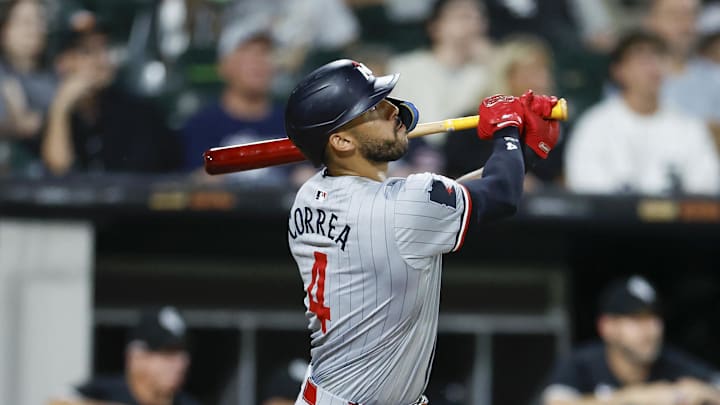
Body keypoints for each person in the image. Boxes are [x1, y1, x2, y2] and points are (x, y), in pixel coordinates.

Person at [283, 59, 560, 405]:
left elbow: (439, 207)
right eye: (373, 110)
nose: (392, 110)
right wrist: (507, 132)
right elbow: (498, 196)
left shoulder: (309, 196)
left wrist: (522, 153)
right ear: (340, 141)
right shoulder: (402, 206)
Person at [563, 30, 720, 195]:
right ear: (619, 71)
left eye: (658, 58)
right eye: (642, 60)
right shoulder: (595, 125)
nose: (652, 68)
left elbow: (705, 189)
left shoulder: (689, 127)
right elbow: (586, 188)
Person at [541, 275, 720, 405]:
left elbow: (714, 384)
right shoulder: (582, 363)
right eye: (637, 319)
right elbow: (556, 402)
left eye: (654, 318)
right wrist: (634, 397)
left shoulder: (672, 362)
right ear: (607, 327)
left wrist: (703, 392)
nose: (650, 329)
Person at [41, 22, 182, 176]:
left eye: (105, 48)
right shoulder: (56, 113)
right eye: (87, 51)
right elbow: (59, 171)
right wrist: (61, 106)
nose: (101, 59)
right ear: (62, 63)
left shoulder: (139, 114)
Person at [180, 19, 309, 185]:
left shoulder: (294, 126)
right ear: (224, 65)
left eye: (265, 52)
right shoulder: (201, 126)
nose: (258, 61)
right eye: (247, 52)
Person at [54, 306, 200, 405]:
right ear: (136, 357)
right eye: (167, 354)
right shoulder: (99, 393)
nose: (180, 362)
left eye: (182, 353)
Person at [0, 0, 56, 175]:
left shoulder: (53, 76)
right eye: (25, 22)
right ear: (4, 29)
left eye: (40, 21)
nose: (35, 29)